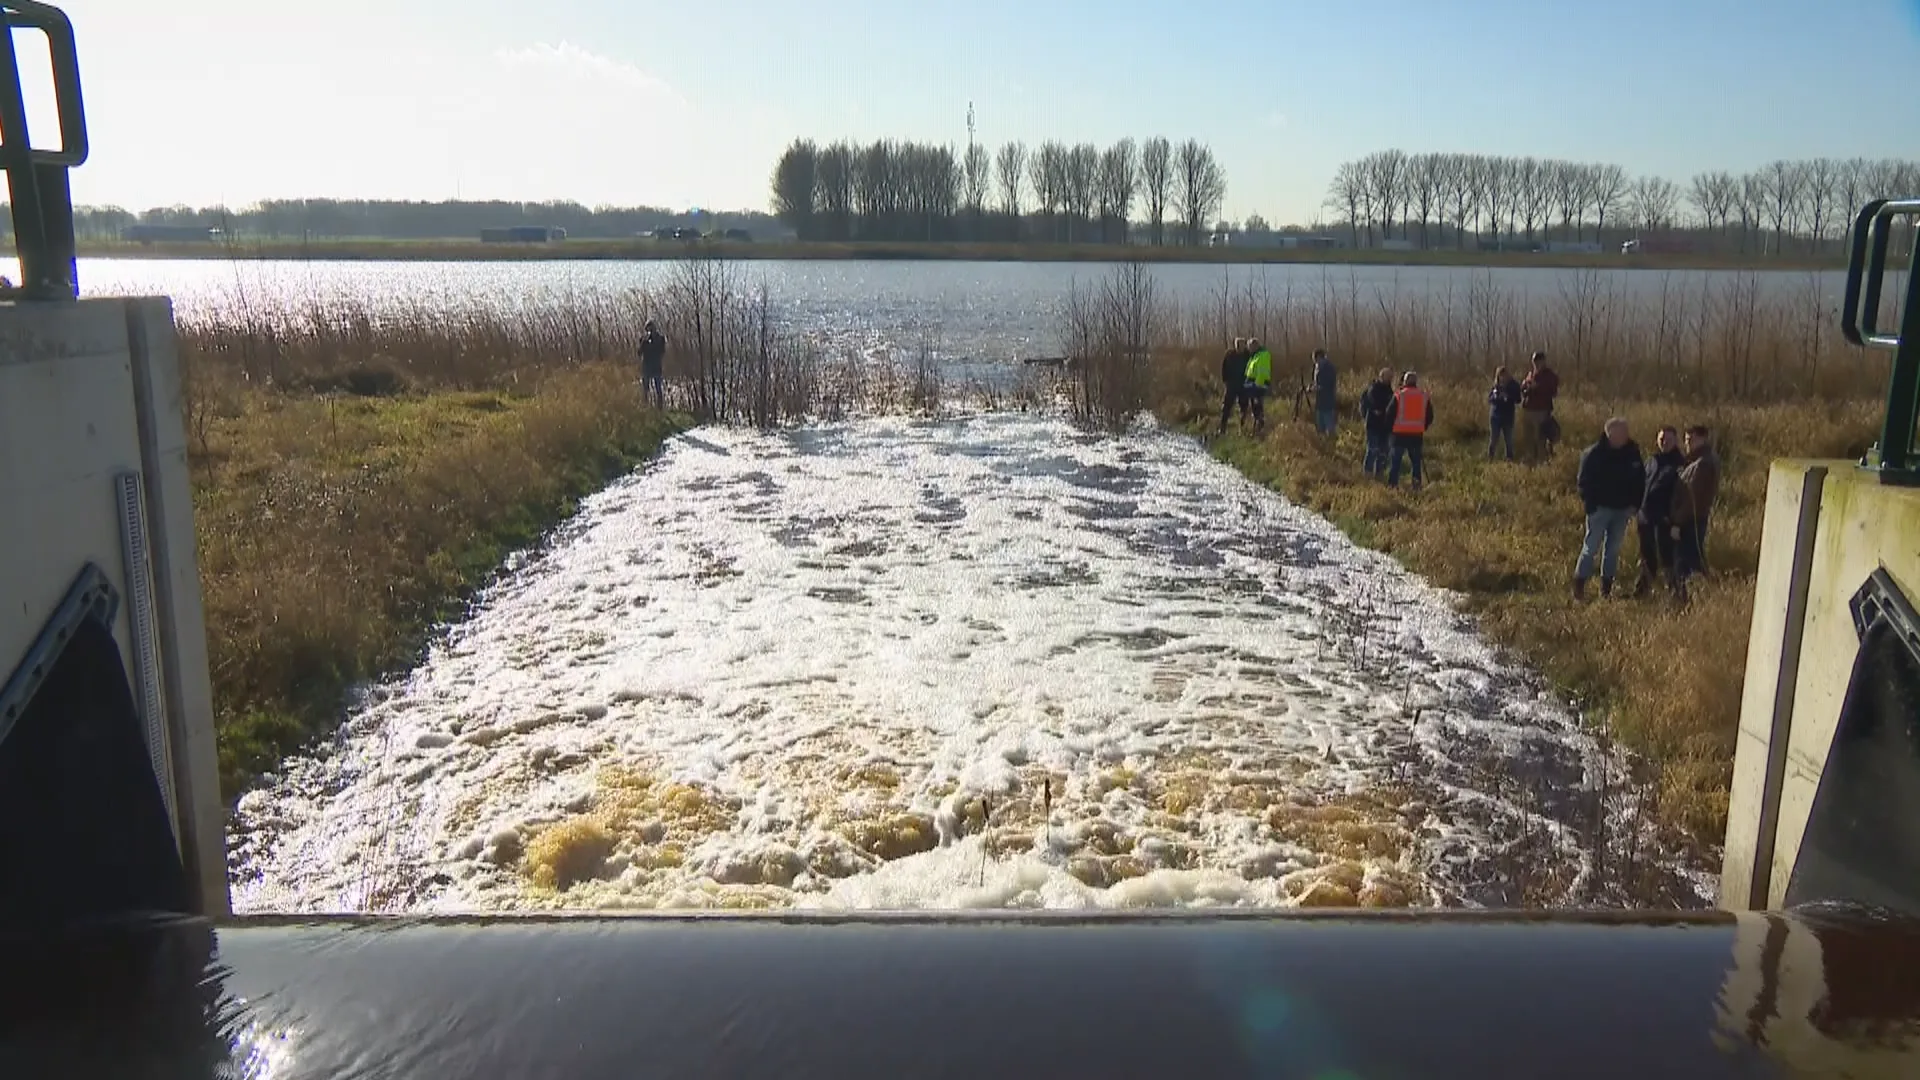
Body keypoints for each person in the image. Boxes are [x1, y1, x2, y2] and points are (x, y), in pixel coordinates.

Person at [1573, 417, 1644, 600]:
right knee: (1590, 548)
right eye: (1622, 433)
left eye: (1626, 432)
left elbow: (1639, 480)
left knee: (1612, 550)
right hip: (1600, 510)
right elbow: (1583, 483)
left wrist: (1635, 505)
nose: (1626, 436)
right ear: (1610, 433)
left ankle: (1606, 591)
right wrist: (1591, 506)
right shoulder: (1593, 454)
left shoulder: (1632, 452)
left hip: (1622, 510)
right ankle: (1579, 588)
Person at [1669, 425, 1723, 598]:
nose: (1687, 444)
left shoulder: (1703, 464)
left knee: (1688, 561)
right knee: (1691, 559)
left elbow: (1692, 498)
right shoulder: (1697, 461)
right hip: (1694, 518)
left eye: (1691, 440)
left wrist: (1677, 522)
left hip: (1691, 520)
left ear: (1702, 439)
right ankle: (1690, 594)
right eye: (1685, 440)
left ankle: (1687, 596)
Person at [1634, 425, 1685, 598]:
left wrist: (1671, 518)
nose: (1664, 442)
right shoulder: (1652, 461)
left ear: (1675, 441)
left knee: (1667, 558)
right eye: (1662, 439)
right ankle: (1642, 592)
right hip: (1645, 517)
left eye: (1668, 439)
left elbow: (1680, 494)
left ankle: (1675, 593)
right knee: (1647, 556)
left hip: (1663, 519)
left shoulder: (1679, 464)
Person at [1385, 370, 1433, 490]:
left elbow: (1389, 414)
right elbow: (1430, 416)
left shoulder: (1399, 395)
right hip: (1416, 435)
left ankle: (1392, 486)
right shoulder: (1423, 396)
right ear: (1416, 382)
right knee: (1416, 463)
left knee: (1396, 463)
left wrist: (1390, 429)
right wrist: (1423, 426)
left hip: (1399, 435)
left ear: (1405, 381)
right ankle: (1416, 485)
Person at [1519, 351, 1560, 465]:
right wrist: (1525, 387)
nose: (1536, 364)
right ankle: (1530, 461)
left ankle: (1542, 462)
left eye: (1538, 361)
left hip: (1541, 411)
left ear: (1543, 361)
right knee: (1528, 438)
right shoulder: (1530, 374)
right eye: (1534, 361)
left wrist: (1538, 388)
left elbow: (1553, 392)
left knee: (1540, 438)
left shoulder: (1550, 376)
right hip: (1528, 409)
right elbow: (1523, 389)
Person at [1358, 366, 1395, 479]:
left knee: (1384, 451)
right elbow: (1373, 404)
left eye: (1391, 377)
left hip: (1385, 426)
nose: (1390, 379)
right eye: (1388, 377)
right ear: (1382, 376)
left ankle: (1379, 473)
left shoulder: (1389, 390)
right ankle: (1368, 473)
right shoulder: (1374, 388)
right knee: (1372, 449)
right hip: (1373, 424)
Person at [1487, 365, 1522, 461]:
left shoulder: (1514, 385)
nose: (1503, 378)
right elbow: (1489, 399)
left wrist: (1508, 397)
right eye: (1500, 376)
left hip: (1508, 416)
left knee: (1509, 440)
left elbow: (1518, 399)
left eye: (1504, 375)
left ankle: (1509, 459)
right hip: (1495, 416)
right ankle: (1490, 457)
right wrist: (1496, 397)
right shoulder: (1495, 386)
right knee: (1494, 438)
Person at [1243, 338, 1273, 435]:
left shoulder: (1262, 355)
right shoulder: (1255, 355)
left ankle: (1260, 428)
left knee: (1257, 406)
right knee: (1254, 407)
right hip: (1252, 385)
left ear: (1255, 346)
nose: (1249, 349)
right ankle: (1256, 427)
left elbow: (1262, 371)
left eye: (1250, 347)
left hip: (1257, 386)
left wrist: (1257, 385)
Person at [1219, 337, 1249, 434]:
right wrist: (1225, 380)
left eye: (1241, 345)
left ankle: (1242, 427)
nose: (1239, 347)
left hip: (1243, 384)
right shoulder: (1229, 354)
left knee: (1244, 406)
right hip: (1231, 384)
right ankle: (1222, 428)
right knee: (1227, 406)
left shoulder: (1247, 355)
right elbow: (1223, 367)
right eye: (1238, 345)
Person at [638, 319, 668, 408]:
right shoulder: (644, 339)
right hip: (647, 366)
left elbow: (662, 351)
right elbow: (639, 352)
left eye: (650, 329)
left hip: (655, 366)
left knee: (658, 388)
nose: (649, 331)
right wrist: (643, 343)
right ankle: (646, 406)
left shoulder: (660, 339)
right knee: (646, 389)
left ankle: (659, 408)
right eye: (648, 329)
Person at [1312, 348, 1338, 436]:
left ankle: (1331, 445)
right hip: (1320, 402)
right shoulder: (1317, 367)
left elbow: (1328, 384)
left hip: (1328, 402)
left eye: (1314, 357)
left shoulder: (1328, 368)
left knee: (1330, 427)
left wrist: (1318, 388)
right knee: (1320, 428)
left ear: (1319, 357)